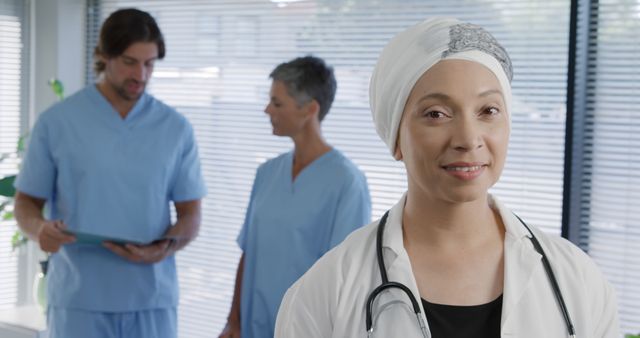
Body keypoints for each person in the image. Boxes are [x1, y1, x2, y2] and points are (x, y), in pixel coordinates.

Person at [275, 17, 620, 337]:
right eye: (436, 113)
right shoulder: (323, 293)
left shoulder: (578, 281)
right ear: (396, 137)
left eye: (488, 110)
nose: (468, 139)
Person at [13, 8, 206, 338]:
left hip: (151, 301)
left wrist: (167, 245)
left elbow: (191, 215)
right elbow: (26, 203)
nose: (141, 75)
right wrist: (39, 228)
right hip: (79, 301)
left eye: (149, 64)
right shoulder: (58, 122)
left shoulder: (175, 129)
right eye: (130, 62)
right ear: (103, 56)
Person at [219, 56, 371, 338]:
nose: (267, 110)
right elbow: (249, 252)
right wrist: (233, 321)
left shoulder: (346, 183)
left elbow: (346, 281)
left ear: (309, 109)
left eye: (277, 103)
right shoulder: (266, 173)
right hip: (255, 327)